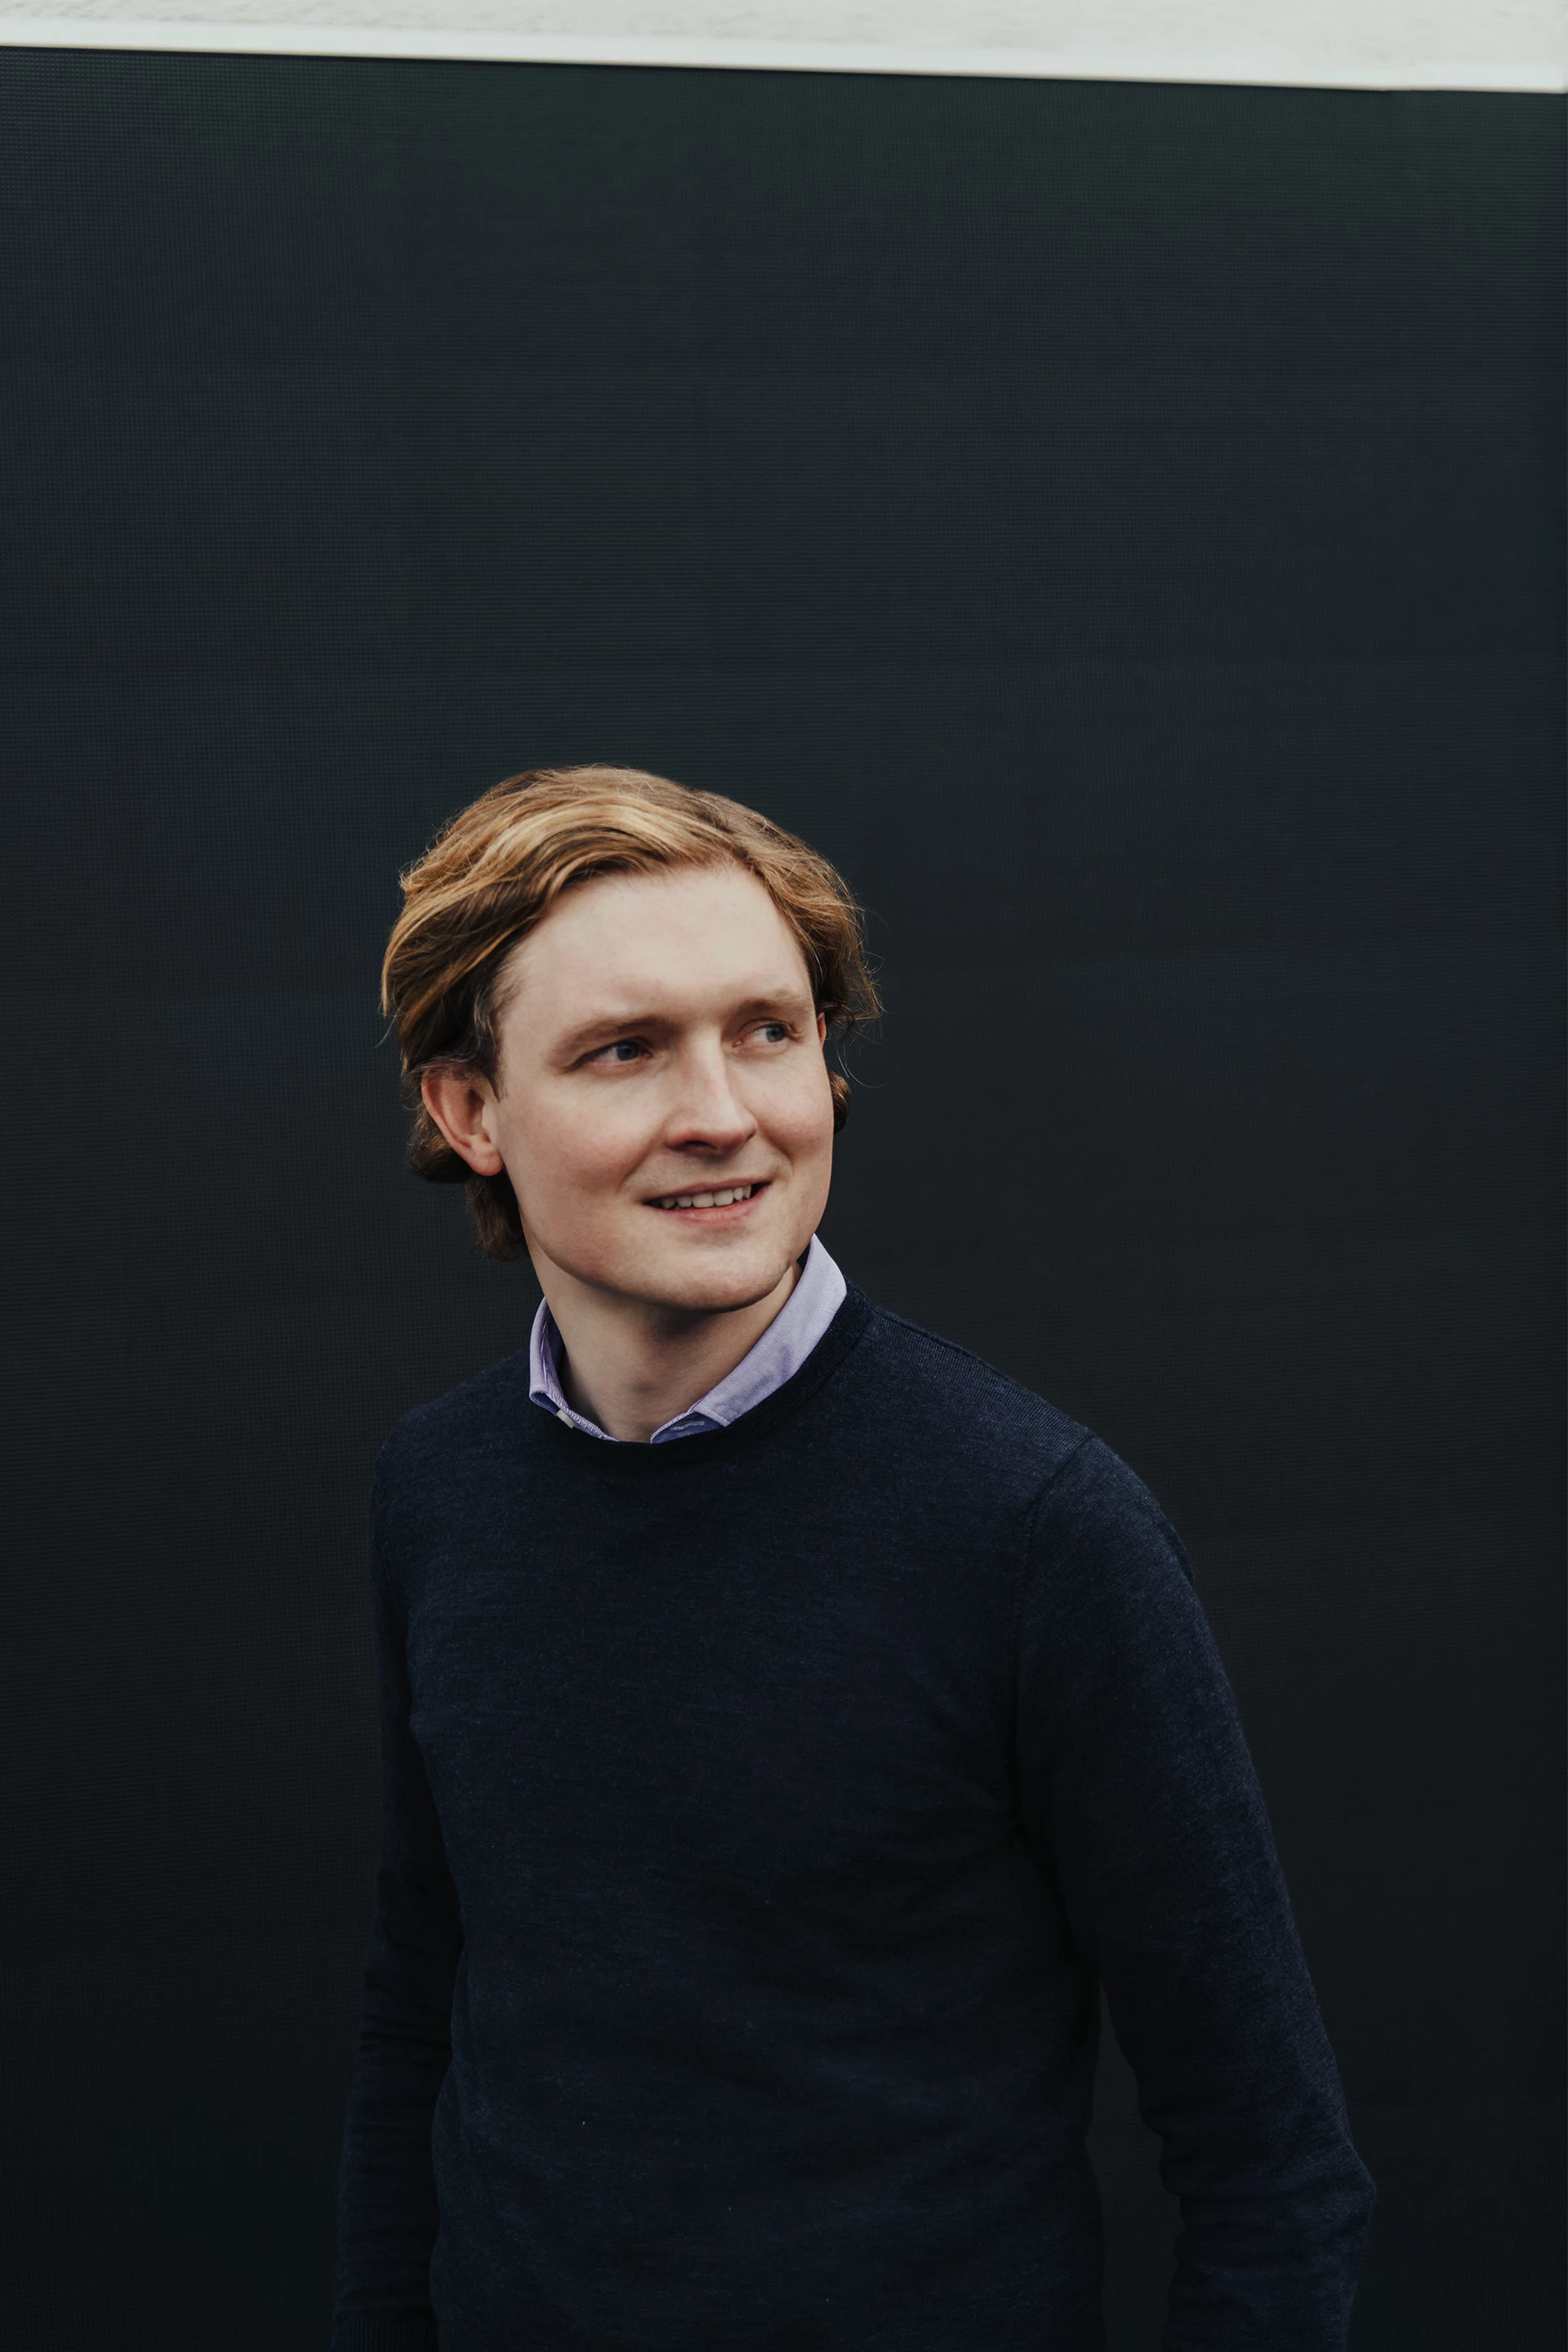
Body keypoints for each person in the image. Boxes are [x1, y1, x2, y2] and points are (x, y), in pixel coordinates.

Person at [332, 764, 1373, 2352]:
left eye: (768, 1029)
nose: (724, 1112)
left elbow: (1271, 2161)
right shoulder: (439, 1489)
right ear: (468, 1110)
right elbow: (424, 2003)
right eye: (626, 1049)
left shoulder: (1035, 1526)